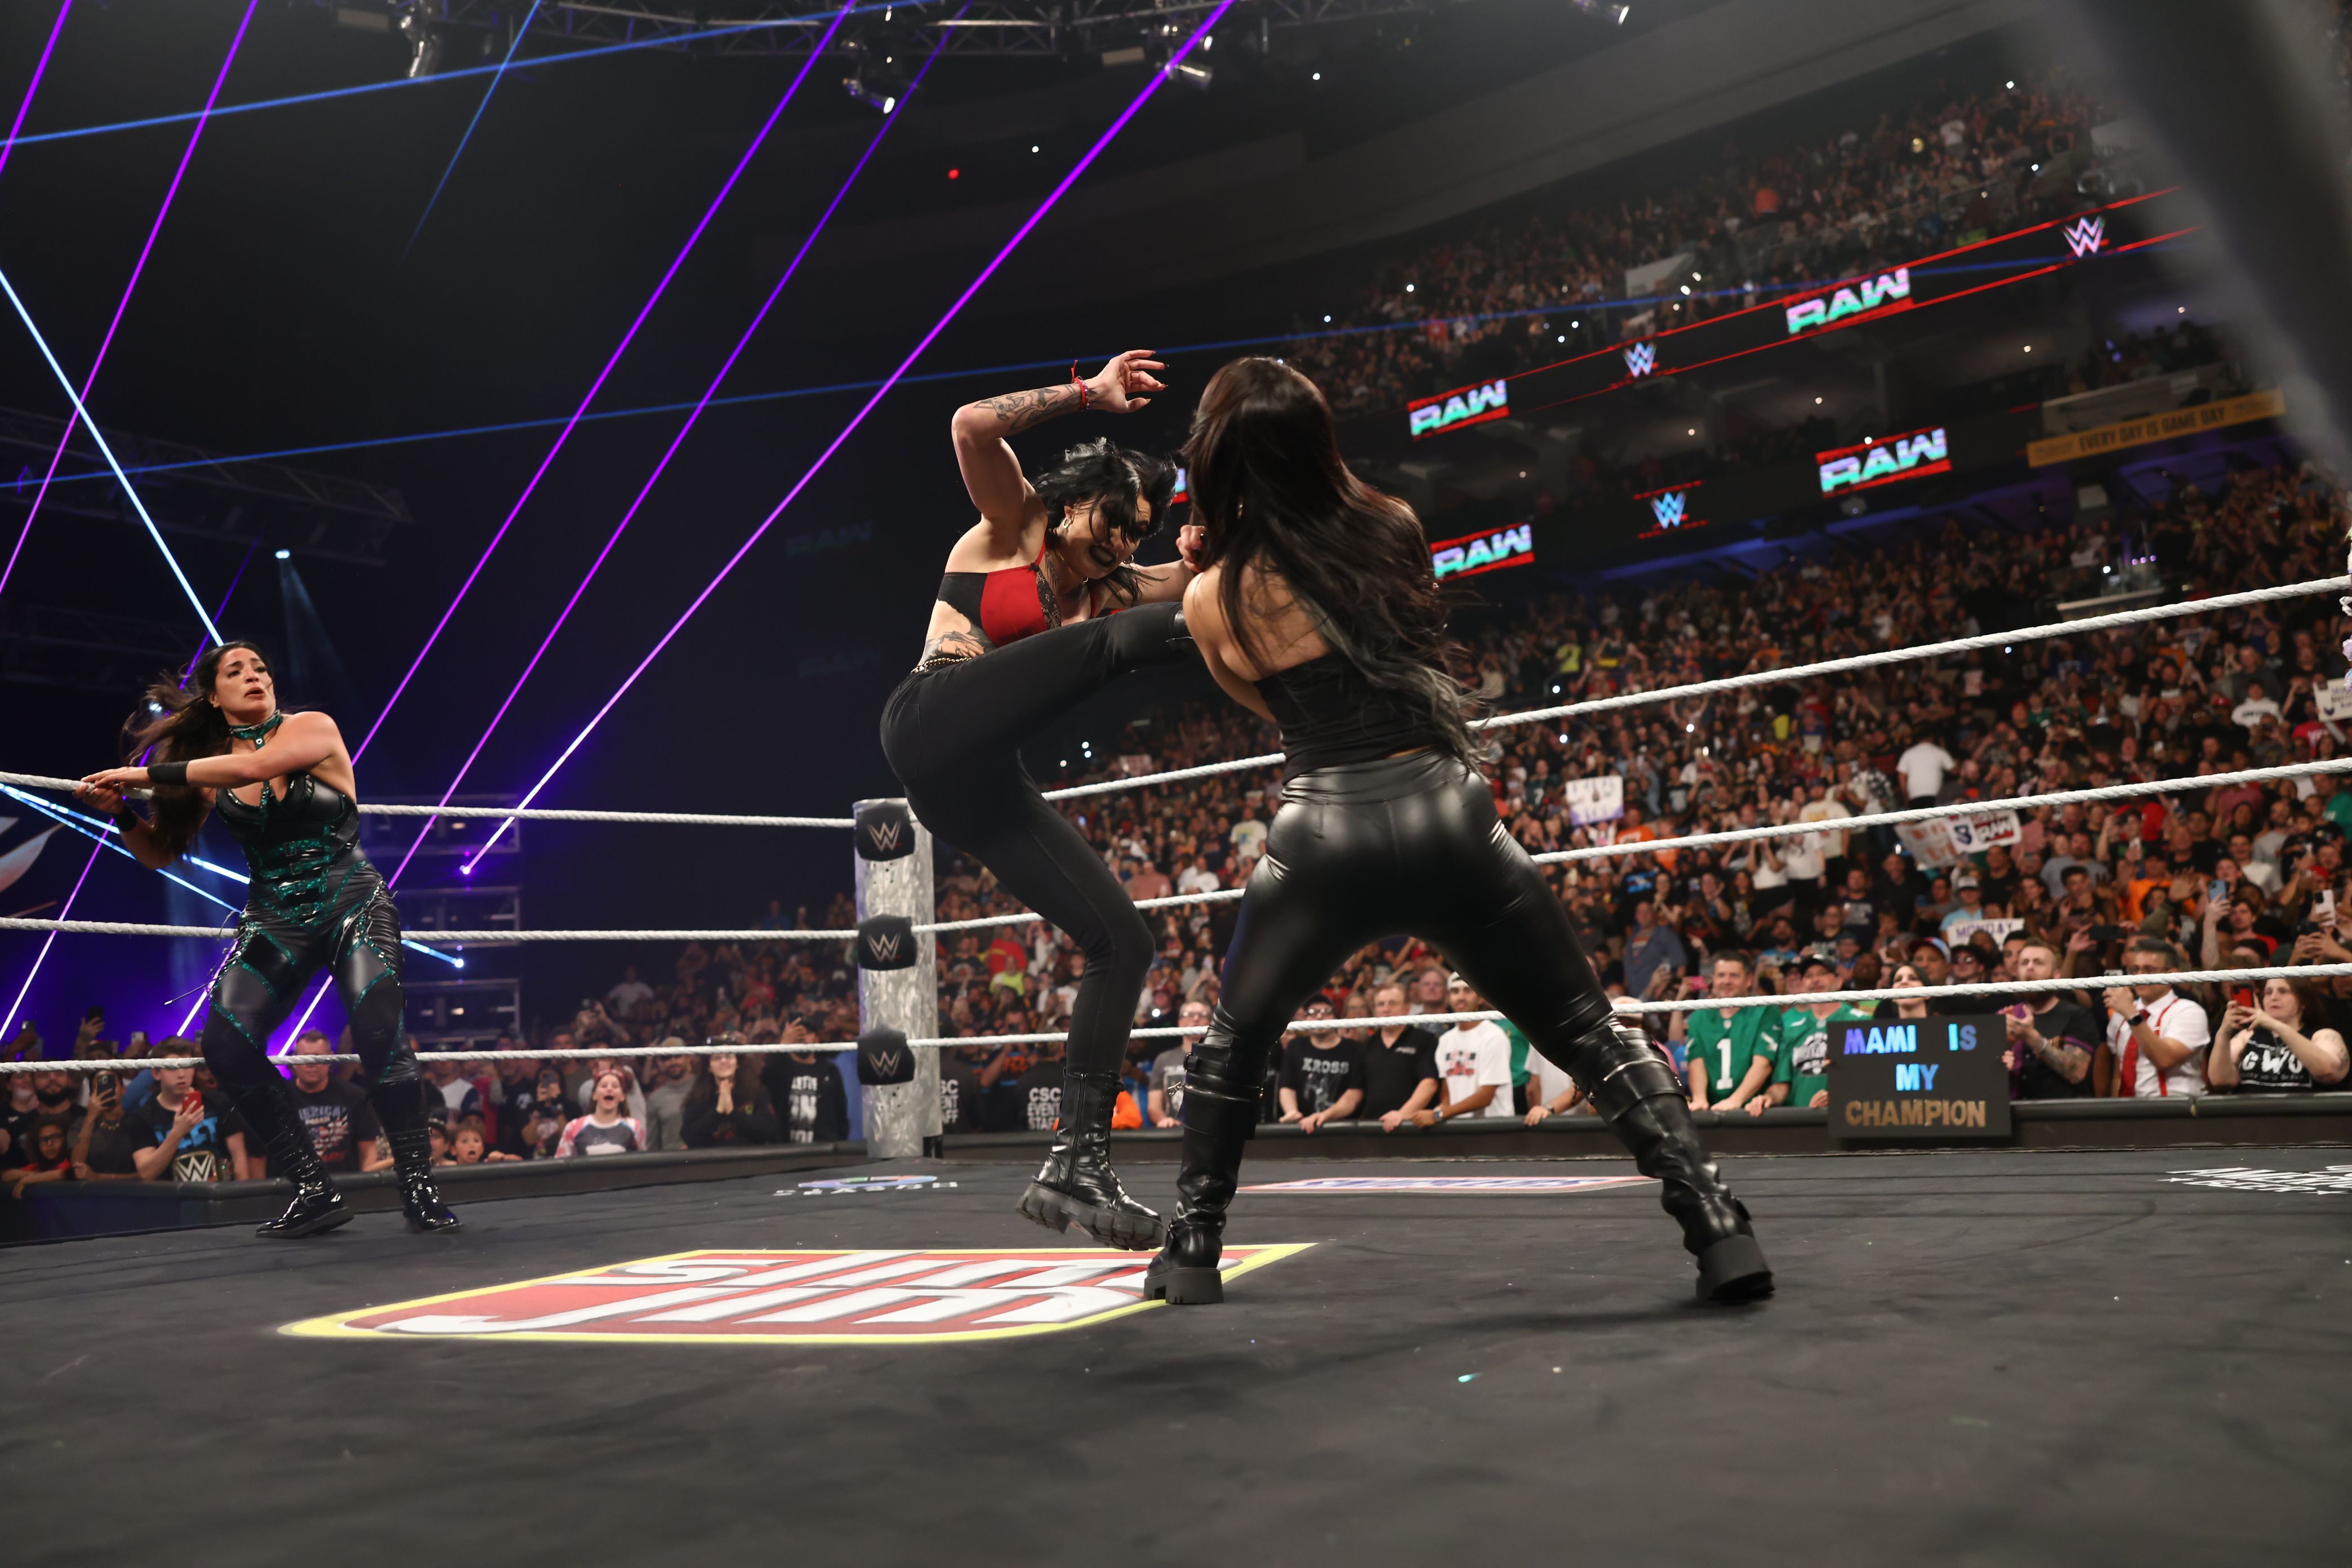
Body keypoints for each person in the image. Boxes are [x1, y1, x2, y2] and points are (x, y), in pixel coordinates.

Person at [1144, 357, 1769, 1307]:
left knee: (1235, 1040)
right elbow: (1404, 653)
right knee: (1585, 1025)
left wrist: (1220, 556)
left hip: (1324, 828)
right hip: (1446, 807)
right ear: (1317, 442)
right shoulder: (1392, 528)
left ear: (1218, 460)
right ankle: (1716, 1223)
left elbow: (1270, 705)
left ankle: (1192, 1246)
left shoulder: (1210, 595)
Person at [877, 351, 1206, 1252]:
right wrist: (1086, 395)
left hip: (980, 787)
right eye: (1116, 521)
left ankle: (1077, 1163)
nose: (1123, 545)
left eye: (1139, 535)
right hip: (929, 720)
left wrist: (1202, 553)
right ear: (1077, 501)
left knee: (1124, 941)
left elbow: (1193, 588)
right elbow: (970, 425)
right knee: (1120, 641)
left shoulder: (1113, 587)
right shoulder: (1012, 524)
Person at [77, 642, 456, 1238]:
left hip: (351, 901)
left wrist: (142, 774)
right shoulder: (208, 772)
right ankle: (313, 1190)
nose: (255, 676)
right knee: (225, 1045)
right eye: (237, 671)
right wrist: (122, 813)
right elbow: (157, 854)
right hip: (275, 918)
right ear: (214, 696)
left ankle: (419, 1188)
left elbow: (254, 769)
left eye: (260, 668)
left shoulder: (312, 728)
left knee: (380, 1032)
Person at [2102, 937, 2211, 1099]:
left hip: (2175, 1108)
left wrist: (2132, 1014)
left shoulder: (2189, 1012)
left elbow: (2164, 1059)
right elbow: (2119, 1074)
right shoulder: (2121, 1014)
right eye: (2135, 969)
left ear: (2172, 975)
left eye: (2149, 970)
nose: (2139, 976)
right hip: (2129, 1108)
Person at [1678, 951, 1781, 1115]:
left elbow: (1763, 1064)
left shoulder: (1765, 1011)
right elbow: (1696, 1062)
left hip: (1754, 1110)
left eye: (1734, 976)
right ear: (1713, 979)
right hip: (1713, 1108)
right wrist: (1700, 1099)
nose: (1726, 981)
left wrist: (1736, 1100)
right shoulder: (1699, 1017)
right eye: (1721, 975)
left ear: (1749, 980)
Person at [2210, 975, 2350, 1092]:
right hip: (2251, 1114)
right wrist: (2224, 1032)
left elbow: (2329, 1072)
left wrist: (2275, 1025)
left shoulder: (2323, 1035)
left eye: (2283, 991)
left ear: (2303, 1001)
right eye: (2268, 992)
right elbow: (2221, 1081)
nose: (2274, 997)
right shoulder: (2246, 1037)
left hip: (2304, 1115)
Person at [2000, 939, 2100, 1099]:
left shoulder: (2077, 1016)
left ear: (2056, 975)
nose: (2030, 967)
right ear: (2017, 973)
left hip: (2062, 1111)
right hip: (2017, 1110)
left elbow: (2077, 1072)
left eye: (2038, 963)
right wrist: (2006, 1047)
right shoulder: (2008, 1017)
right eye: (2024, 963)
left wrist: (2031, 1037)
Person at [284, 1030, 390, 1174]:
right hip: (294, 1184)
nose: (311, 1064)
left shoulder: (354, 1096)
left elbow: (368, 1153)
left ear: (330, 1059)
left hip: (345, 1183)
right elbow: (260, 1154)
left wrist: (365, 1184)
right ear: (293, 1062)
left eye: (317, 1057)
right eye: (304, 1058)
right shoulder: (279, 1099)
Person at [129, 1061, 250, 1183]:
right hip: (171, 1193)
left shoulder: (218, 1101)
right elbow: (147, 1174)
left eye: (187, 1067)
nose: (181, 1075)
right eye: (172, 1068)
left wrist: (241, 1193)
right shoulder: (142, 1118)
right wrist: (177, 1133)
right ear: (157, 1073)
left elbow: (239, 1157)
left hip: (219, 1190)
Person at [1421, 976, 1515, 1124]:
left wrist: (1440, 1114)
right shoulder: (1445, 1041)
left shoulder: (1494, 1036)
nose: (1461, 997)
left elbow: (1486, 1096)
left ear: (1480, 998)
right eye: (1455, 991)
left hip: (1494, 1126)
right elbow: (1447, 1091)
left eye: (1467, 991)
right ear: (1449, 998)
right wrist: (1442, 1108)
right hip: (1459, 1125)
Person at [1357, 980, 1441, 1129]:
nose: (1386, 1009)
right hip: (1375, 1126)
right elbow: (1355, 1092)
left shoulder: (1424, 1040)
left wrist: (1402, 1114)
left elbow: (1429, 1084)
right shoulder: (1367, 1045)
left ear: (1407, 1008)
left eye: (1393, 1003)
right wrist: (1328, 1114)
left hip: (1414, 1127)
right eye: (1381, 1004)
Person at [1277, 997, 1364, 1131]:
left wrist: (1325, 1116)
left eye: (1326, 1012)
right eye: (1312, 1013)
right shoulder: (1296, 1046)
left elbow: (1354, 1094)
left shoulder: (1354, 1049)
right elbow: (1287, 1086)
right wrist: (1292, 1112)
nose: (1319, 1017)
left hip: (1342, 1129)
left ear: (1336, 1017)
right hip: (1301, 1126)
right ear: (1305, 1019)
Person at [681, 1048, 783, 1147]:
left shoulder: (757, 1092)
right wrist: (718, 1112)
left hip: (748, 1155)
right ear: (709, 1067)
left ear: (737, 1063)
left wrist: (732, 1112)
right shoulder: (697, 1098)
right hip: (712, 1157)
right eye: (717, 1058)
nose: (724, 1061)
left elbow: (770, 1130)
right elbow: (690, 1139)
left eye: (729, 1056)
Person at [554, 1071, 647, 1157]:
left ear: (622, 1096)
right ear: (594, 1095)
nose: (609, 1089)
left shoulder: (634, 1126)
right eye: (604, 1086)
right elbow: (561, 1162)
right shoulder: (574, 1127)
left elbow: (643, 1162)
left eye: (615, 1086)